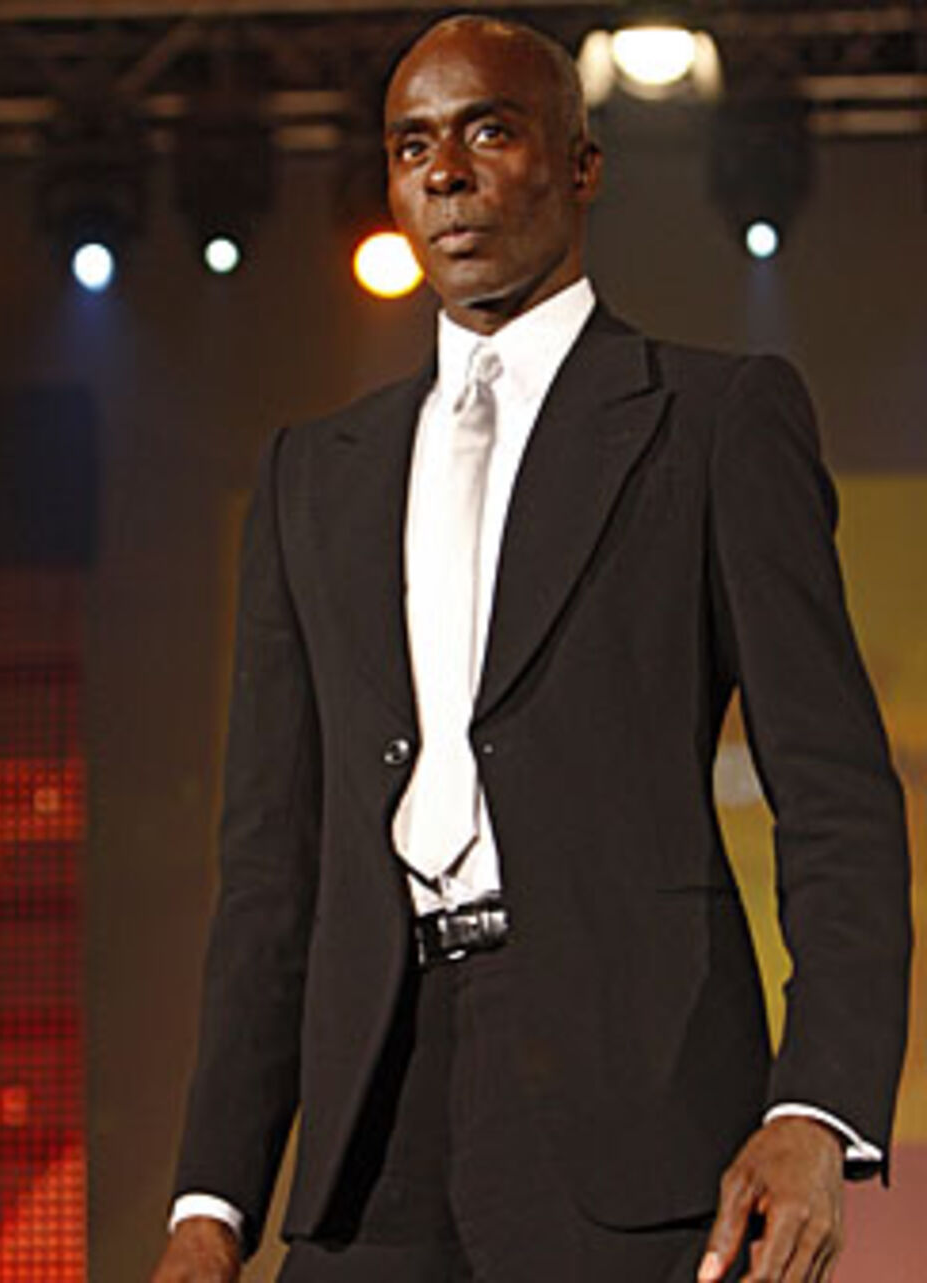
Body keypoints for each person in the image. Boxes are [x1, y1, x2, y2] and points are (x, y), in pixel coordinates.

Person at [150, 14, 908, 1283]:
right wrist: (211, 1199)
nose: (445, 174)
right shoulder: (312, 475)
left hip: (637, 1111)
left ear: (581, 164)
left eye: (488, 132)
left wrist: (815, 1106)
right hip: (371, 1119)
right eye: (411, 147)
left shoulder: (712, 420)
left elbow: (836, 795)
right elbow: (270, 866)